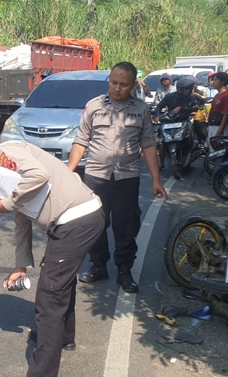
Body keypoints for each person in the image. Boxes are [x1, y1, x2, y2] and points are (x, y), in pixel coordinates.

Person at [0, 130, 104, 377]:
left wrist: (8, 202)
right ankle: (64, 338)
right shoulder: (7, 163)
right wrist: (21, 265)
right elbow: (22, 218)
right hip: (81, 220)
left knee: (49, 298)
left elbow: (39, 176)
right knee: (60, 283)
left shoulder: (6, 154)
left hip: (76, 221)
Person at [67, 62, 168, 293]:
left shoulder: (141, 111)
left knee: (126, 226)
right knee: (95, 225)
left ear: (133, 86)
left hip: (126, 178)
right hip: (95, 177)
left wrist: (156, 180)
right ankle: (98, 265)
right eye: (114, 82)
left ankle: (124, 270)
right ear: (109, 81)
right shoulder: (93, 107)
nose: (117, 88)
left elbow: (148, 145)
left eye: (123, 84)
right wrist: (68, 171)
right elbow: (81, 140)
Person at [207, 72, 228, 137]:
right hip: (213, 125)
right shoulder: (217, 95)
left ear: (223, 81)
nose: (213, 82)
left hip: (219, 127)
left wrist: (220, 130)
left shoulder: (227, 96)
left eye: (215, 80)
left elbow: (226, 114)